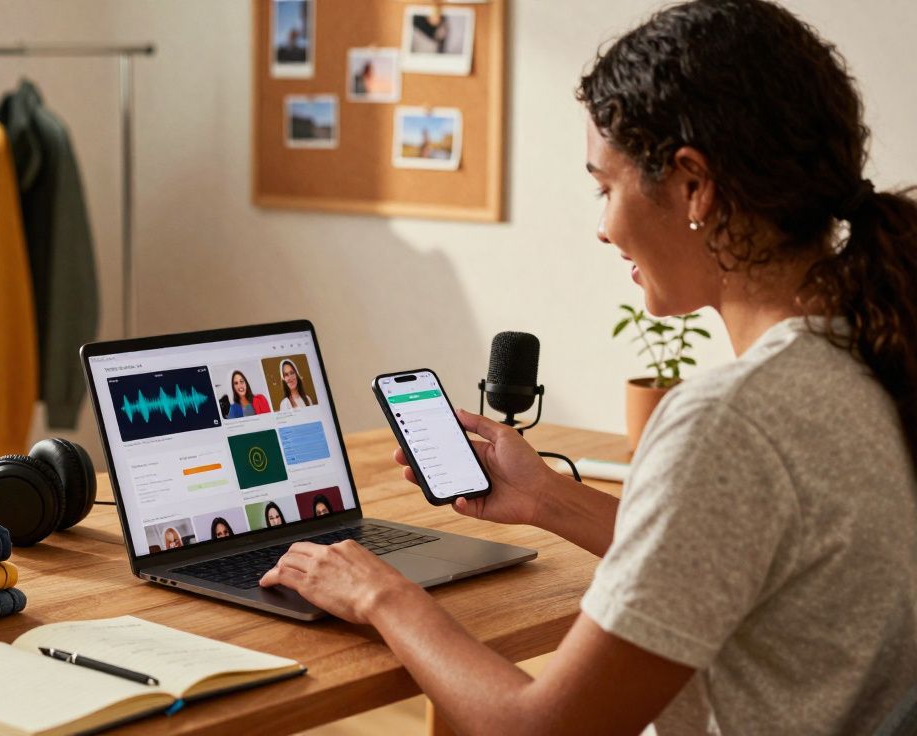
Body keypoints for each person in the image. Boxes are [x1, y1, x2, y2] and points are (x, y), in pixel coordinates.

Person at [261, 1, 917, 733]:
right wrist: (546, 498)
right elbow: (730, 556)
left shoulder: (733, 421)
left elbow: (539, 728)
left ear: (694, 185)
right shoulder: (870, 352)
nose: (602, 228)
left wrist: (381, 594)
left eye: (606, 188)